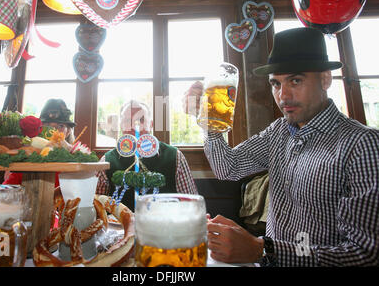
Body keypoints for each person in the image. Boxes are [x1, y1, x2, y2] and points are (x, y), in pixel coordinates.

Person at [183, 27, 379, 266]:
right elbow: (228, 168)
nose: (283, 95)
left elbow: (365, 255)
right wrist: (209, 122)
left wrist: (262, 249)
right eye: (276, 83)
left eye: (295, 80)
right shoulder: (279, 131)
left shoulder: (362, 144)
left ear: (325, 78)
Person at [96, 100, 198, 211]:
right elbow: (97, 206)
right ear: (121, 126)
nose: (135, 126)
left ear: (151, 124)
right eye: (127, 121)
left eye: (141, 120)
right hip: (119, 227)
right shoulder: (107, 160)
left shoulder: (175, 156)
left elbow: (192, 206)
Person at [3, 98, 76, 187]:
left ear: (68, 131)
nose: (53, 131)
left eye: (60, 126)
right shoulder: (28, 157)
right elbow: (8, 188)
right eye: (47, 125)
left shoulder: (75, 160)